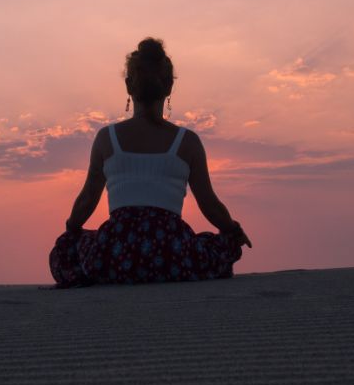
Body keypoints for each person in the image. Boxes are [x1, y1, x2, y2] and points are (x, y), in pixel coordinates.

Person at [49, 37, 252, 287]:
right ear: (168, 87)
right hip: (171, 253)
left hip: (114, 254)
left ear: (128, 86)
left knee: (66, 249)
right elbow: (209, 204)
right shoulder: (187, 142)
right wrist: (233, 230)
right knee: (217, 247)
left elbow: (87, 199)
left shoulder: (106, 138)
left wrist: (71, 229)